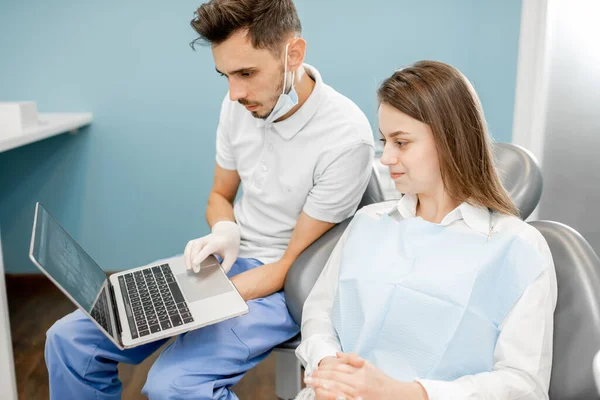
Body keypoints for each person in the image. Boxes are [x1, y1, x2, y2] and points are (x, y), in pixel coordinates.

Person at [43, 1, 374, 399]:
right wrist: (225, 229)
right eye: (226, 76)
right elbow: (220, 194)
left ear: (294, 54)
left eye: (247, 73)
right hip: (227, 265)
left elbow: (288, 266)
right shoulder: (239, 106)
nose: (235, 93)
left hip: (284, 284)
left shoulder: (345, 136)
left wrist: (195, 302)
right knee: (68, 340)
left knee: (173, 387)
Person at [295, 61, 557, 400]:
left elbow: (523, 385)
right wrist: (330, 368)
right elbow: (319, 315)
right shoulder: (368, 223)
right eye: (384, 140)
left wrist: (407, 393)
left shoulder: (519, 249)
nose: (386, 157)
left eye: (401, 142)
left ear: (451, 141)